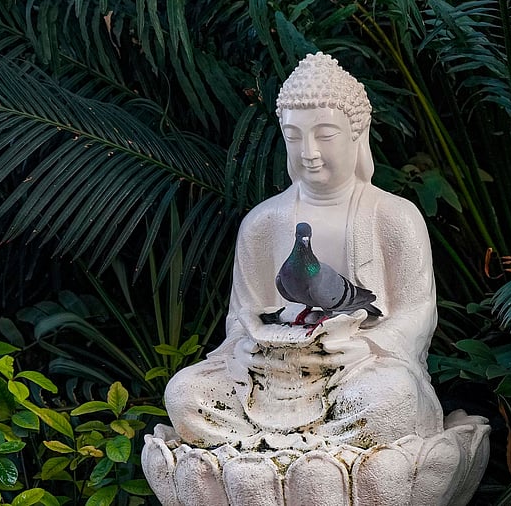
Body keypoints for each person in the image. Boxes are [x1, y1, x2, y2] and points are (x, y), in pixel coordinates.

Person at [164, 53, 443, 450]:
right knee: (184, 393)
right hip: (271, 373)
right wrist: (248, 346)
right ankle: (299, 454)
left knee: (389, 399)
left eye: (325, 135)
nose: (309, 152)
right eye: (295, 138)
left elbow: (418, 311)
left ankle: (274, 455)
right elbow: (243, 313)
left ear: (357, 135)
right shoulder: (262, 222)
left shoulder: (394, 216)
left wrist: (365, 346)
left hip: (357, 368)